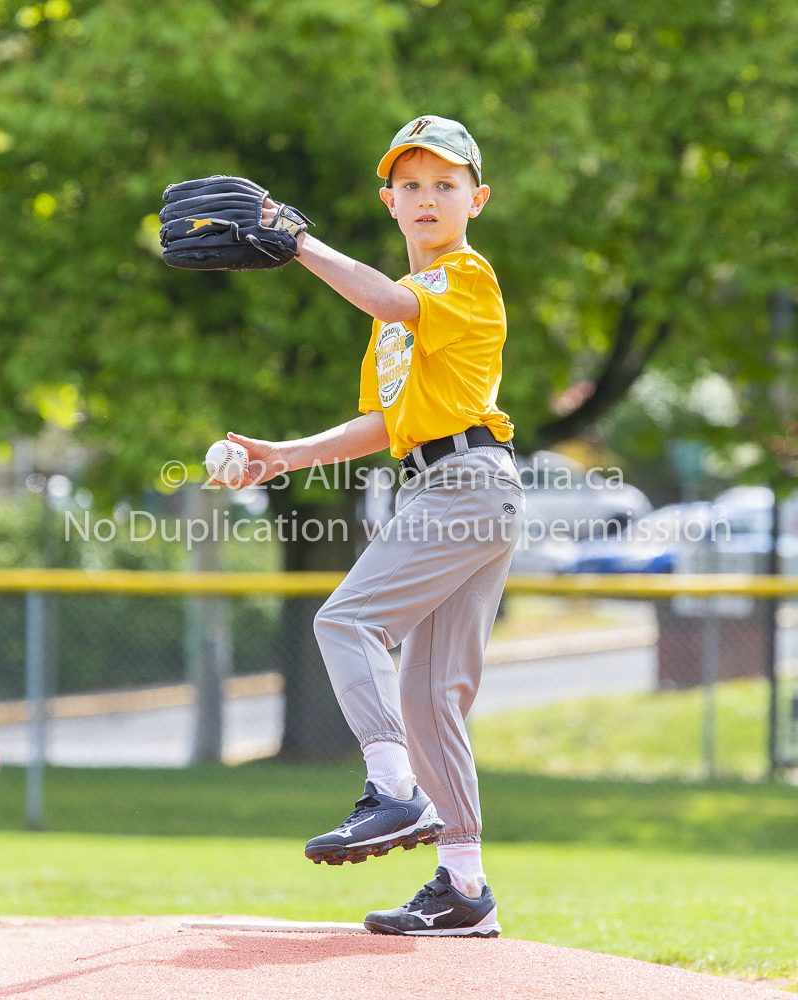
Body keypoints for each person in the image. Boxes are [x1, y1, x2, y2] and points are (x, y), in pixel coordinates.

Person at [228, 115, 524, 937]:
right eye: (412, 184)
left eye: (447, 183)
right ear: (389, 201)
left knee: (348, 618)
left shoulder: (465, 276)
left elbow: (389, 295)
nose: (429, 198)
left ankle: (393, 790)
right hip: (452, 487)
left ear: (477, 199)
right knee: (431, 700)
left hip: (465, 486)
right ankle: (464, 887)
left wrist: (300, 245)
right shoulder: (397, 317)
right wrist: (284, 456)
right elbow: (383, 423)